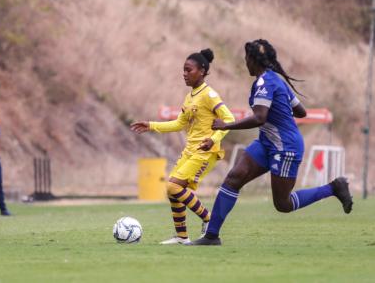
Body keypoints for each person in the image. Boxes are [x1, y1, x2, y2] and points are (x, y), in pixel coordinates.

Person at [191, 39, 353, 246]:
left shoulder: (265, 83)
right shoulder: (275, 81)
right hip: (267, 143)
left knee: (283, 204)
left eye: (246, 59)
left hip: (285, 147)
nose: (245, 63)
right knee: (233, 178)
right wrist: (280, 112)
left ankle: (333, 187)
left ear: (253, 60)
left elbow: (259, 118)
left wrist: (225, 126)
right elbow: (301, 111)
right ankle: (211, 236)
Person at [131, 49, 235, 245]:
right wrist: (151, 125)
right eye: (184, 70)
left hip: (206, 152)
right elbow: (179, 124)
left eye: (189, 70)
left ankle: (209, 219)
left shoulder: (210, 95)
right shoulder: (190, 97)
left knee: (173, 186)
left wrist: (214, 139)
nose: (184, 74)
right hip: (190, 151)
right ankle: (182, 237)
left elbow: (229, 119)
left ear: (202, 71)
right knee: (172, 189)